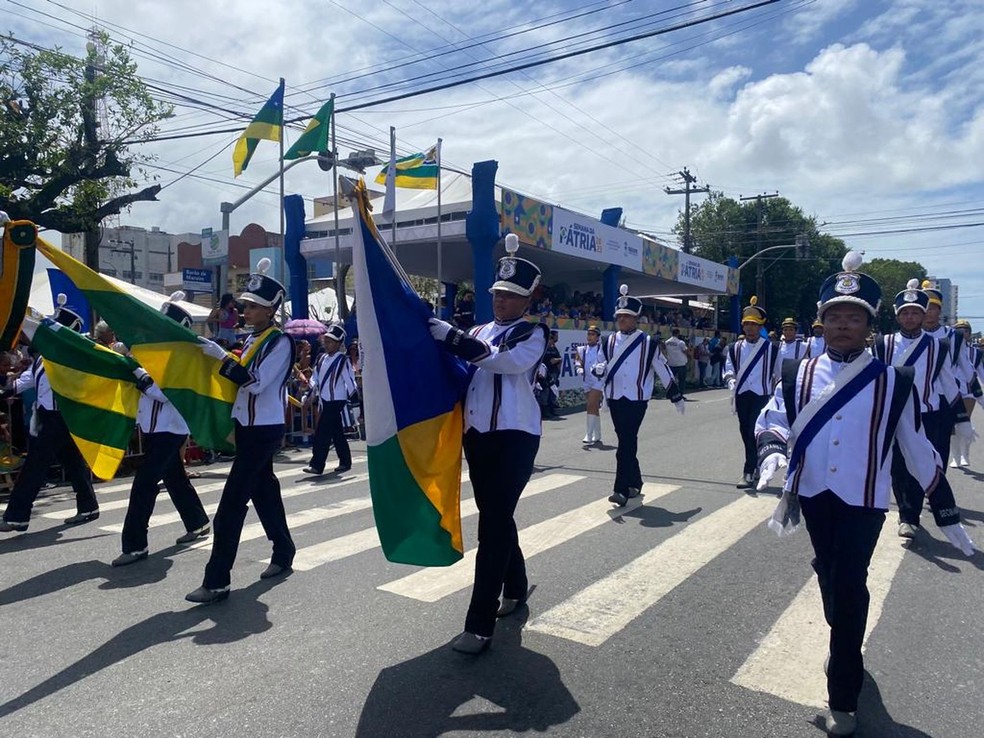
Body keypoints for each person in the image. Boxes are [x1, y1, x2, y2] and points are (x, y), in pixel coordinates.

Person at [754, 252, 975, 737]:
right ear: (823, 321)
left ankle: (844, 692)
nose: (843, 325)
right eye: (835, 316)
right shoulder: (797, 373)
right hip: (812, 493)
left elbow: (917, 447)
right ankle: (842, 628)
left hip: (865, 500)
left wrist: (946, 509)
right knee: (830, 573)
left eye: (854, 317)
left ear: (869, 325)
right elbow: (772, 417)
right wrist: (771, 454)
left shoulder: (894, 382)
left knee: (851, 584)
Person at [427, 233, 548, 654]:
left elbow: (504, 361)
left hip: (515, 438)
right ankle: (515, 587)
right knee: (497, 517)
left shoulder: (532, 333)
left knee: (492, 526)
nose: (502, 300)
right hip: (477, 437)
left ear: (528, 299)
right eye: (498, 292)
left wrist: (453, 339)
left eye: (512, 295)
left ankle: (479, 625)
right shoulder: (478, 328)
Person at [185, 258, 296, 604]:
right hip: (248, 428)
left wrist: (220, 356)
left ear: (270, 311)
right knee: (264, 491)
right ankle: (284, 551)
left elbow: (256, 384)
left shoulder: (279, 342)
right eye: (245, 305)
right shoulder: (253, 339)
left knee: (231, 505)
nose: (244, 310)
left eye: (253, 306)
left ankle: (217, 580)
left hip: (263, 430)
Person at [113, 293, 210, 566]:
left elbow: (163, 393)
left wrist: (136, 370)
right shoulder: (154, 354)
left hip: (171, 428)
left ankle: (135, 545)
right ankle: (198, 522)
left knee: (144, 483)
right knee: (175, 478)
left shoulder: (181, 359)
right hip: (156, 427)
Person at [871, 279, 967, 539]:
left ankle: (922, 505)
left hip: (929, 413)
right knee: (899, 467)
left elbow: (948, 382)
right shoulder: (883, 344)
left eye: (915, 312)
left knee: (924, 462)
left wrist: (962, 418)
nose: (910, 317)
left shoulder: (938, 346)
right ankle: (908, 516)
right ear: (898, 315)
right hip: (896, 414)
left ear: (924, 315)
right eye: (905, 312)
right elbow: (874, 379)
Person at [0, 296, 100, 532]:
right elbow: (25, 382)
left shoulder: (74, 360)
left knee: (35, 465)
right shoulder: (43, 358)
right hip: (48, 416)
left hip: (60, 417)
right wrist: (6, 385)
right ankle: (88, 506)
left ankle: (18, 515)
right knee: (72, 462)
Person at [592, 285, 685, 507]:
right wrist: (597, 370)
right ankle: (636, 481)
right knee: (626, 441)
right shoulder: (607, 341)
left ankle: (621, 490)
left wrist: (676, 396)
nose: (622, 320)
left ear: (636, 319)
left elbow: (663, 369)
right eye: (620, 316)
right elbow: (599, 364)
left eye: (627, 316)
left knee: (626, 440)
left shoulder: (648, 343)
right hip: (615, 397)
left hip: (637, 399)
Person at [723, 296, 780, 489]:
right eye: (747, 324)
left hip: (762, 395)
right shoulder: (734, 348)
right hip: (742, 395)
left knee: (753, 432)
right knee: (744, 431)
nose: (750, 328)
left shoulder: (771, 348)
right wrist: (732, 383)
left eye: (754, 325)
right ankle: (755, 465)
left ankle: (749, 470)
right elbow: (728, 370)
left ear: (760, 326)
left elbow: (779, 374)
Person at [920, 281, 977, 467]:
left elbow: (968, 371)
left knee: (940, 446)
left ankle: (936, 487)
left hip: (945, 398)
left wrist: (981, 398)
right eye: (925, 308)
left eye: (933, 308)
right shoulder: (909, 337)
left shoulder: (954, 336)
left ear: (940, 310)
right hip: (915, 400)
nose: (929, 312)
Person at [303, 324, 356, 476]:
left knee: (322, 432)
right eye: (326, 341)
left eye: (331, 342)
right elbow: (315, 378)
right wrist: (308, 391)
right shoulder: (321, 358)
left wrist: (357, 406)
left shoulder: (343, 360)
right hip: (325, 400)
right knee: (337, 432)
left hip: (337, 400)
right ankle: (345, 461)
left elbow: (350, 381)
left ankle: (317, 465)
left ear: (339, 344)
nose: (327, 344)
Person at [951, 319, 984, 466]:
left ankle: (965, 455)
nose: (962, 333)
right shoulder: (948, 350)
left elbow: (981, 372)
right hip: (951, 392)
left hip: (969, 392)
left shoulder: (976, 353)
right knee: (952, 427)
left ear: (969, 334)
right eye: (959, 330)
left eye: (965, 330)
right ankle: (955, 457)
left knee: (963, 422)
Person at [574, 325, 605, 446]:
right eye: (588, 334)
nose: (590, 337)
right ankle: (598, 434)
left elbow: (606, 361)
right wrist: (578, 368)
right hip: (587, 380)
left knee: (590, 404)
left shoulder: (602, 348)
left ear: (598, 337)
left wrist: (602, 367)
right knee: (594, 407)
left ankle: (589, 434)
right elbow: (577, 361)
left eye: (592, 335)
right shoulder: (581, 349)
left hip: (598, 380)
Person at [663, 328, 691, 397]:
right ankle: (680, 394)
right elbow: (686, 351)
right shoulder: (680, 342)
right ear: (678, 333)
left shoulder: (667, 342)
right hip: (680, 363)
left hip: (671, 363)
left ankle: (669, 393)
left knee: (671, 380)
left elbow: (664, 350)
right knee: (681, 380)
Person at [542, 330, 562, 418]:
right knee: (545, 391)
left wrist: (557, 363)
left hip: (554, 372)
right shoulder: (543, 348)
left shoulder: (554, 348)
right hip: (545, 373)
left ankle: (552, 409)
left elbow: (559, 358)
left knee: (552, 391)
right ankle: (544, 411)